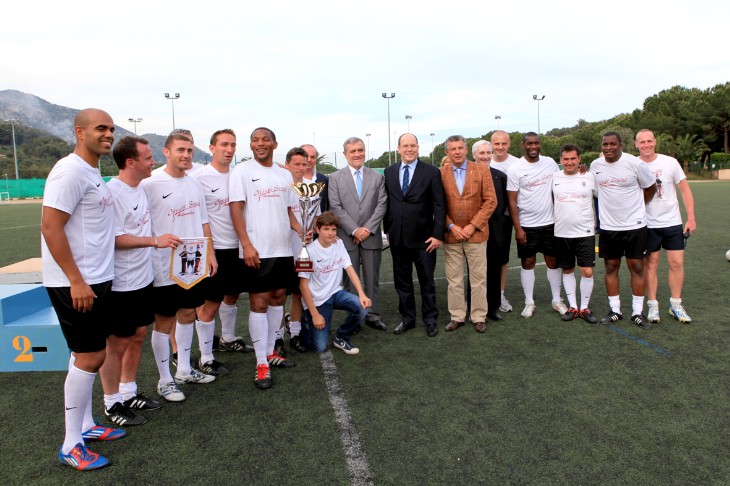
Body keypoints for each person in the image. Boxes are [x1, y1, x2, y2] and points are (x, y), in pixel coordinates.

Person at [42, 108, 124, 470]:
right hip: (76, 282)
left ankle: (87, 426)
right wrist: (76, 280)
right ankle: (71, 444)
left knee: (87, 354)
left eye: (111, 128)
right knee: (90, 356)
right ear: (79, 132)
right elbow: (50, 227)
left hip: (95, 279)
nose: (108, 134)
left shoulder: (92, 171)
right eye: (100, 128)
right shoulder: (70, 171)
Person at [101, 136, 175, 428]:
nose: (153, 162)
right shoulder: (112, 193)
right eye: (147, 158)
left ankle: (129, 392)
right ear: (130, 162)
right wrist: (155, 241)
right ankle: (111, 403)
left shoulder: (141, 188)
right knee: (117, 343)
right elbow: (115, 239)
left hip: (143, 278)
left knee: (139, 334)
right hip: (121, 281)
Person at [142, 133, 218, 403]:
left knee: (188, 313)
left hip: (193, 263)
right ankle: (165, 380)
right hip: (163, 264)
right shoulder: (150, 183)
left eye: (189, 150)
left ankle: (184, 369)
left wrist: (210, 253)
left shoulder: (194, 183)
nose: (186, 155)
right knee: (164, 322)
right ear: (166, 152)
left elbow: (204, 221)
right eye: (180, 150)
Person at [229, 127, 301, 390]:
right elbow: (235, 209)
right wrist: (246, 245)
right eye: (255, 140)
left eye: (265, 140)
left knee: (278, 298)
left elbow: (289, 209)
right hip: (257, 250)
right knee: (259, 303)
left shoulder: (284, 174)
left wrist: (300, 229)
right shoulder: (242, 171)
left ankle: (271, 351)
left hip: (282, 249)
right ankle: (261, 363)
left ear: (274, 144)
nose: (260, 144)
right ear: (251, 145)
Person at [190, 129, 255, 375]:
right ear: (212, 148)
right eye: (224, 144)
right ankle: (206, 357)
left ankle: (227, 338)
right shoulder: (199, 177)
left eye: (233, 145)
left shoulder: (239, 175)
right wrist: (207, 251)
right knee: (209, 304)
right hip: (214, 250)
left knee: (233, 294)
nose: (229, 149)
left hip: (238, 247)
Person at [590, 132, 656, 328]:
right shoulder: (595, 166)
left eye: (613, 144)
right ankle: (615, 310)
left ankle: (637, 312)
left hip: (635, 226)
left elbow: (651, 187)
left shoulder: (635, 164)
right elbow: (594, 191)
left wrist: (638, 208)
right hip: (609, 227)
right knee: (611, 267)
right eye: (605, 144)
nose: (608, 148)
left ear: (621, 145)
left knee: (637, 267)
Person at [384, 133, 446, 337]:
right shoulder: (390, 171)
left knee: (427, 281)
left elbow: (439, 204)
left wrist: (438, 235)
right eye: (405, 146)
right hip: (398, 238)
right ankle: (407, 319)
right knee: (402, 282)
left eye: (413, 145)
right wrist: (388, 229)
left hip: (425, 239)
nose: (409, 149)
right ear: (398, 149)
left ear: (418, 148)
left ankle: (430, 319)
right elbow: (389, 203)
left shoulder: (431, 172)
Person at [635, 129, 696, 323]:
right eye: (642, 142)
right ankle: (653, 306)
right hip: (647, 224)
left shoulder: (670, 162)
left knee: (676, 262)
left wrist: (691, 218)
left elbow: (685, 190)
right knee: (651, 264)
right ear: (636, 144)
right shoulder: (633, 165)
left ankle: (675, 305)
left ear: (655, 141)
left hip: (672, 222)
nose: (646, 145)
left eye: (649, 141)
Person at [327, 137, 388, 331]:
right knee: (350, 282)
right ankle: (355, 317)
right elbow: (335, 207)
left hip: (371, 237)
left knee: (372, 279)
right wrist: (354, 230)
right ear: (345, 154)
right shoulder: (335, 178)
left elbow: (381, 205)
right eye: (352, 151)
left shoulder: (377, 177)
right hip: (347, 238)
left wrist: (365, 230)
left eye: (360, 150)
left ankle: (372, 315)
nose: (357, 154)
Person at [506, 132, 567, 318]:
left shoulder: (550, 163)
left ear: (540, 144)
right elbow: (512, 201)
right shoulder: (515, 168)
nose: (533, 146)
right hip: (527, 225)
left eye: (536, 143)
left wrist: (580, 168)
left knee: (553, 261)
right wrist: (518, 228)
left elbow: (563, 181)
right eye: (529, 143)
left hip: (550, 223)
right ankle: (529, 302)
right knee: (528, 262)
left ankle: (557, 300)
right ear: (523, 145)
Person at [440, 135, 497, 333]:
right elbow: (437, 205)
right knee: (454, 280)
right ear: (447, 152)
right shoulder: (440, 173)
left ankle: (479, 316)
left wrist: (472, 226)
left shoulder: (481, 170)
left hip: (476, 235)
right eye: (453, 149)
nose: (457, 152)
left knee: (479, 279)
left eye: (460, 148)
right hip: (452, 236)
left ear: (466, 150)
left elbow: (490, 201)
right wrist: (451, 226)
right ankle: (457, 316)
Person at [299, 212, 371, 354]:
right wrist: (314, 314)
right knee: (319, 347)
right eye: (326, 229)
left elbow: (349, 269)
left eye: (333, 229)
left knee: (363, 307)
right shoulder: (307, 251)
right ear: (318, 229)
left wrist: (362, 294)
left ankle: (342, 337)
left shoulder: (339, 243)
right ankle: (303, 322)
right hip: (318, 301)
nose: (330, 233)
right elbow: (302, 285)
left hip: (336, 293)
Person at [552, 144, 598, 323]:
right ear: (561, 160)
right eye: (566, 159)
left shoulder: (589, 176)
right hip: (562, 232)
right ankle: (573, 306)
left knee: (587, 270)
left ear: (579, 159)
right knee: (567, 269)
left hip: (585, 231)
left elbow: (599, 197)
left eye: (573, 158)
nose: (569, 162)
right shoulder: (554, 177)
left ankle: (584, 307)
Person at [279, 147, 318, 353]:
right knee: (278, 296)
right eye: (297, 164)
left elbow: (316, 218)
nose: (301, 168)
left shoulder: (312, 188)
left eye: (304, 164)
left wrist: (312, 232)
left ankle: (295, 333)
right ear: (287, 165)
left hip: (304, 250)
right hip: (281, 249)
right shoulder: (280, 187)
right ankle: (277, 337)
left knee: (298, 292)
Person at [490, 130, 521, 313]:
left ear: (509, 144)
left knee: (502, 259)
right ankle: (479, 296)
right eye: (497, 143)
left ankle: (500, 295)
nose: (500, 147)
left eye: (504, 143)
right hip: (483, 219)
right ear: (491, 144)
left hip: (504, 219)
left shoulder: (517, 163)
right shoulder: (483, 161)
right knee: (480, 258)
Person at [301, 143, 329, 212]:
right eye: (306, 156)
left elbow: (327, 205)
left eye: (312, 157)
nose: (309, 159)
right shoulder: (290, 179)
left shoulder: (325, 180)